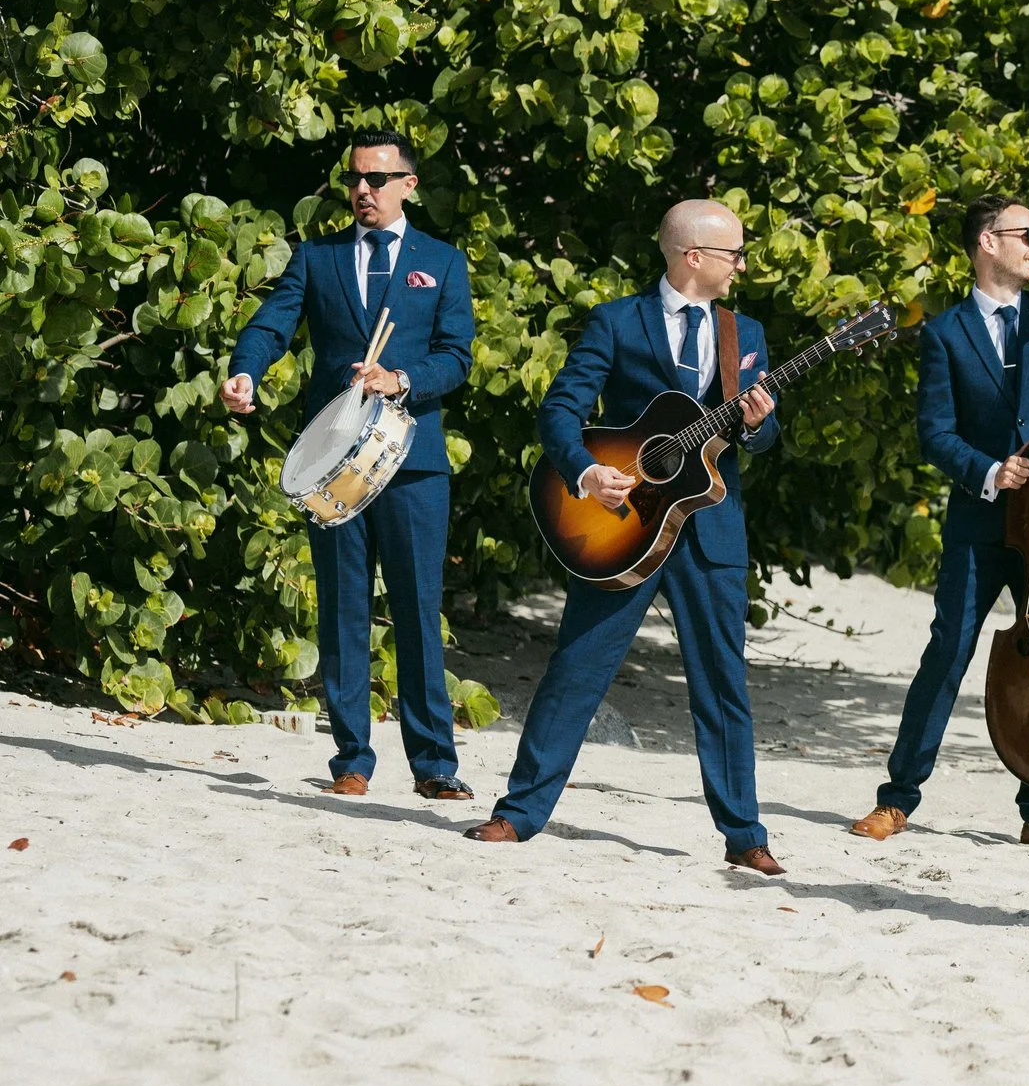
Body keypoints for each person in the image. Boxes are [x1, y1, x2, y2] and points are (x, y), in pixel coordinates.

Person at [465, 200, 783, 872]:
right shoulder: (617, 321)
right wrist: (586, 475)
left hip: (711, 528)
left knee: (723, 681)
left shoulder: (743, 330)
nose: (742, 266)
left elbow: (764, 439)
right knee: (578, 665)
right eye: (734, 253)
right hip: (622, 523)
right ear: (692, 256)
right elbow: (561, 409)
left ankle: (746, 837)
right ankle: (519, 812)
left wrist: (757, 421)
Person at [850, 197, 1029, 848]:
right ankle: (897, 798)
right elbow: (934, 433)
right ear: (988, 242)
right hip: (981, 520)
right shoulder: (945, 332)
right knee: (949, 649)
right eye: (1028, 235)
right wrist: (986, 470)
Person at [225, 129, 477, 800]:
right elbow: (271, 324)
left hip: (413, 462)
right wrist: (245, 372)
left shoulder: (444, 262)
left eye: (377, 178)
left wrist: (401, 377)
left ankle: (435, 763)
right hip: (333, 459)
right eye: (355, 179)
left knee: (419, 608)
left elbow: (457, 357)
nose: (363, 189)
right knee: (342, 608)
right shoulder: (319, 256)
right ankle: (352, 760)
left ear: (408, 184)